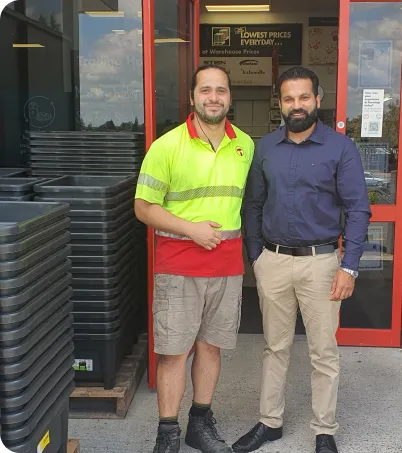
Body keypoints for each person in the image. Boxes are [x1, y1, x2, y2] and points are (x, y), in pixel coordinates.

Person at [233, 67, 371, 453]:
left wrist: (349, 266)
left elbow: (358, 209)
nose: (297, 105)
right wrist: (256, 257)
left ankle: (324, 430)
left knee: (323, 351)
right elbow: (253, 204)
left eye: (304, 97)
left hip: (321, 264)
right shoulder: (265, 148)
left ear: (317, 100)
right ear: (280, 103)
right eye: (289, 98)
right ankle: (269, 422)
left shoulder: (340, 148)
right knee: (274, 347)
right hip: (273, 261)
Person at [135, 64, 254, 453]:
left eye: (221, 90)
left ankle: (199, 425)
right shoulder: (167, 146)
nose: (213, 97)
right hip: (179, 266)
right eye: (205, 90)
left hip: (226, 268)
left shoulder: (245, 145)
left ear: (230, 97)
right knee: (174, 353)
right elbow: (143, 207)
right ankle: (167, 435)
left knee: (210, 348)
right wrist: (191, 229)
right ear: (192, 97)